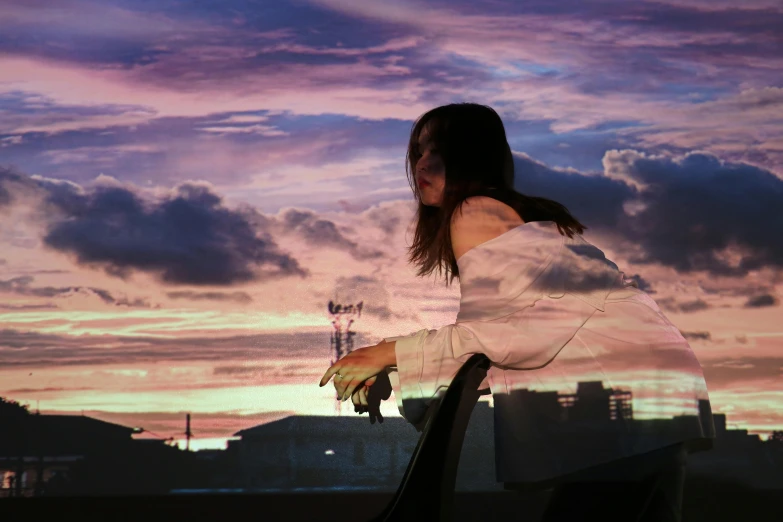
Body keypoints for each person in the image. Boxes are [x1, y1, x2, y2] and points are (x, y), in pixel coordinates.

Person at [319, 103, 715, 521]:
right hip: (649, 385)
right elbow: (506, 341)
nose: (421, 161)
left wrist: (389, 353)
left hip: (626, 394)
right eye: (416, 151)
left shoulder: (472, 211)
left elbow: (502, 337)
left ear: (470, 154)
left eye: (433, 148)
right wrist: (396, 364)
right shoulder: (499, 211)